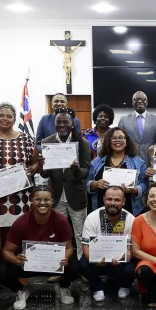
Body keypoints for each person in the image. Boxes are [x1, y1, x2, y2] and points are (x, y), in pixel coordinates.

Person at [0, 185, 80, 309]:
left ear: (52, 201)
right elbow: (7, 251)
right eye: (38, 199)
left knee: (76, 266)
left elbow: (69, 248)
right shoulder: (21, 222)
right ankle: (21, 290)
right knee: (0, 270)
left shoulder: (61, 220)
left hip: (54, 264)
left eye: (46, 200)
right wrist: (16, 260)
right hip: (28, 264)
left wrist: (65, 258)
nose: (42, 203)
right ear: (32, 201)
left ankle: (63, 287)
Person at [0, 103, 40, 232]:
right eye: (1, 115)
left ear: (14, 119)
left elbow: (35, 162)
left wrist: (33, 168)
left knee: (19, 231)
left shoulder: (26, 139)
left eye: (9, 116)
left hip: (19, 196)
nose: (4, 118)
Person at [40, 107, 92, 258]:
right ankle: (59, 265)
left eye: (65, 122)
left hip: (76, 195)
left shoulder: (82, 143)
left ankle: (82, 265)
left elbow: (86, 170)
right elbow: (45, 173)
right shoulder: (47, 142)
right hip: (55, 196)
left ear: (72, 125)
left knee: (80, 233)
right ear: (54, 125)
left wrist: (76, 170)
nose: (61, 125)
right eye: (58, 122)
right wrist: (42, 166)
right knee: (57, 233)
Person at [79, 186, 136, 302]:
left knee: (133, 266)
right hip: (98, 261)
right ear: (104, 199)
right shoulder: (92, 218)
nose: (112, 203)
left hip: (120, 261)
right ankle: (97, 287)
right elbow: (86, 248)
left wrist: (122, 259)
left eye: (117, 200)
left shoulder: (131, 219)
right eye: (109, 199)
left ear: (123, 202)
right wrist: (95, 260)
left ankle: (125, 285)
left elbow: (132, 249)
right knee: (83, 263)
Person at [86, 127, 148, 215]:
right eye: (114, 138)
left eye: (121, 137)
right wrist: (95, 184)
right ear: (109, 141)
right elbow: (86, 182)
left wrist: (133, 190)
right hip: (101, 209)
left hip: (130, 210)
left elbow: (145, 184)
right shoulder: (97, 161)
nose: (117, 140)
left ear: (126, 141)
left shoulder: (138, 162)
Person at [117, 91, 156, 164]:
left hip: (150, 163)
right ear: (132, 103)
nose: (140, 101)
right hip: (129, 162)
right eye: (136, 99)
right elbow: (120, 142)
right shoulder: (123, 120)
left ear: (147, 102)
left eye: (143, 99)